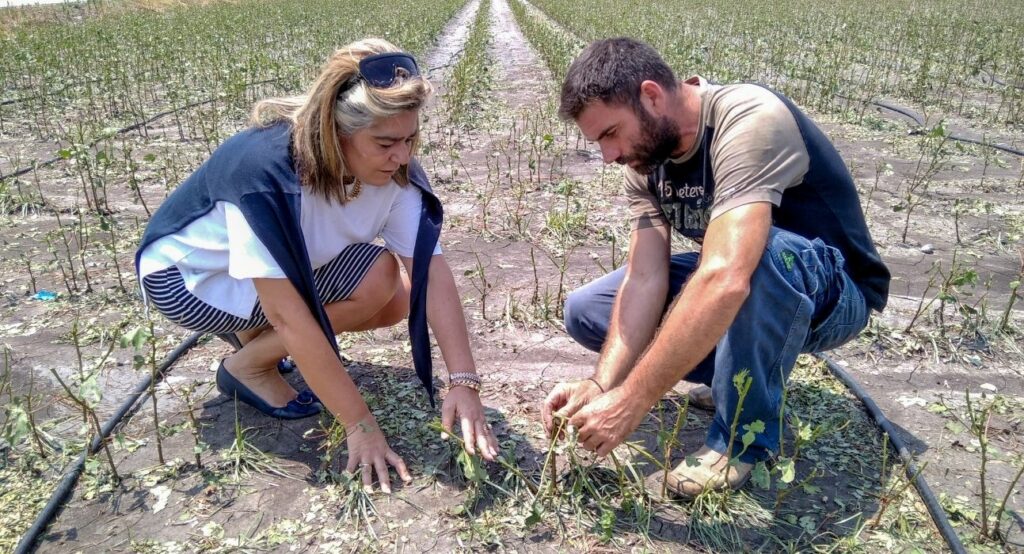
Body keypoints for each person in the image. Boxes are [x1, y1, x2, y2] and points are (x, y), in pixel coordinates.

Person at [135, 38, 498, 493]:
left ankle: (258, 344)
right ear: (335, 132)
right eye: (385, 142)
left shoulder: (397, 176)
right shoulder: (266, 174)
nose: (402, 156)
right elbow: (289, 313)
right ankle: (249, 366)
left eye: (410, 139)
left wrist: (464, 382)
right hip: (191, 281)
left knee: (394, 289)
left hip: (274, 271)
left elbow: (432, 275)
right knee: (310, 314)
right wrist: (359, 424)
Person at [541, 38, 890, 498]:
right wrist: (602, 382)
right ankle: (734, 375)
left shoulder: (747, 119)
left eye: (610, 134)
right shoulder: (646, 162)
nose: (609, 155)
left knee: (754, 258)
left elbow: (726, 278)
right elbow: (646, 278)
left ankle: (740, 441)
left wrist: (634, 399)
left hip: (833, 290)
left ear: (650, 95)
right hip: (749, 279)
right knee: (589, 308)